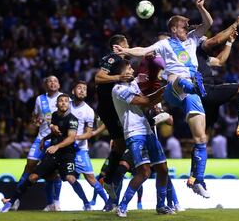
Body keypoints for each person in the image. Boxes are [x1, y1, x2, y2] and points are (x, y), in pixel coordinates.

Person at [113, 0, 213, 198]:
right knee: (176, 76)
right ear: (174, 29)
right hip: (174, 89)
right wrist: (127, 50)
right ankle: (193, 86)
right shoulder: (165, 44)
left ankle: (198, 180)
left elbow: (208, 23)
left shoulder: (193, 39)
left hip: (191, 93)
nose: (188, 27)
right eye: (184, 25)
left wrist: (201, 7)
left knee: (201, 137)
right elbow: (144, 50)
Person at [0, 94, 91, 212]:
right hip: (53, 154)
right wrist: (45, 138)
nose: (64, 103)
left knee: (70, 178)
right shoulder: (54, 116)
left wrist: (56, 146)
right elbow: (56, 133)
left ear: (69, 104)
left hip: (66, 155)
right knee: (33, 177)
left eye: (66, 101)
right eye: (61, 101)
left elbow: (71, 138)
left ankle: (87, 203)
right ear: (57, 104)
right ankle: (11, 202)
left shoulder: (72, 119)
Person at [111, 62, 173, 217]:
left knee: (163, 169)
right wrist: (165, 90)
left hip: (147, 131)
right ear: (121, 72)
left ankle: (161, 206)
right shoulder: (118, 89)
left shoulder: (133, 83)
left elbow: (147, 95)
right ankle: (122, 206)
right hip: (134, 133)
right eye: (129, 68)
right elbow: (144, 101)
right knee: (144, 172)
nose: (132, 70)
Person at [197, 12, 239, 137]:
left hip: (205, 94)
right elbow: (216, 40)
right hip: (205, 89)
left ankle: (198, 156)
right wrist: (236, 23)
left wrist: (229, 42)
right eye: (204, 36)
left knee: (204, 133)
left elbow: (220, 61)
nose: (206, 38)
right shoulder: (196, 47)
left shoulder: (200, 57)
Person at [15, 75, 63, 211]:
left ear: (59, 85)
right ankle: (16, 199)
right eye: (50, 81)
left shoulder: (65, 99)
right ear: (45, 85)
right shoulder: (39, 99)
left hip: (56, 140)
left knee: (54, 173)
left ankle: (55, 203)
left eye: (55, 81)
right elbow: (35, 116)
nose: (52, 83)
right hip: (41, 138)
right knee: (29, 165)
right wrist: (36, 121)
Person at [94, 34, 133, 196]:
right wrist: (119, 77)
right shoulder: (112, 58)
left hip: (114, 106)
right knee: (122, 143)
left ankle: (107, 178)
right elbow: (98, 77)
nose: (129, 46)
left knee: (120, 144)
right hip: (109, 107)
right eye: (127, 43)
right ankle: (108, 177)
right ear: (119, 46)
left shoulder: (123, 63)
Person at [69, 80, 108, 207]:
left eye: (84, 89)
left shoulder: (88, 111)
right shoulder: (65, 105)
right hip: (64, 150)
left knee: (90, 178)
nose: (82, 91)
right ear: (73, 91)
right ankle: (86, 203)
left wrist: (73, 138)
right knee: (70, 178)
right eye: (79, 88)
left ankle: (108, 203)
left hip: (80, 149)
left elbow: (88, 133)